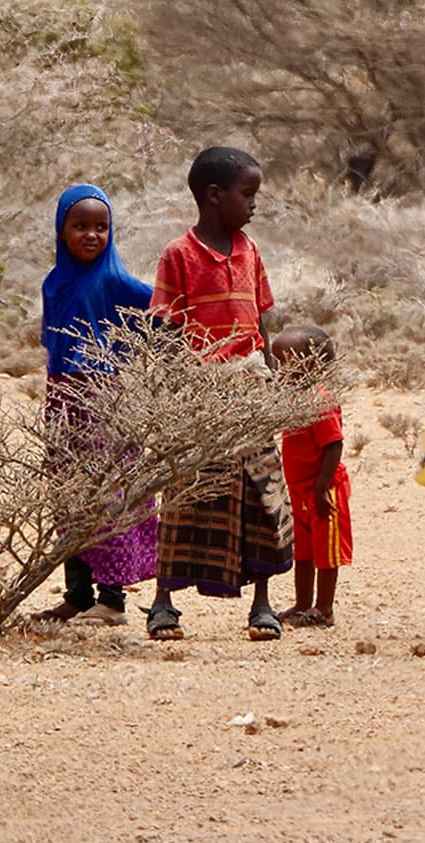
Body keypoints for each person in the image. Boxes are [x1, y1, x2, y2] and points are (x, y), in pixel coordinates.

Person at [147, 146, 292, 643]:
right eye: (247, 194)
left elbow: (260, 321)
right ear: (214, 196)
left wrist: (270, 379)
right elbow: (165, 331)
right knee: (188, 492)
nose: (253, 204)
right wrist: (173, 392)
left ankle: (262, 603)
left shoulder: (250, 251)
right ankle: (163, 602)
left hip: (249, 388)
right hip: (201, 391)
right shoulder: (178, 255)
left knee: (260, 493)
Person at [35, 184, 158, 626]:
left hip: (104, 395)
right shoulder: (55, 281)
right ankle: (78, 593)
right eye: (80, 226)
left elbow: (160, 311)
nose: (92, 235)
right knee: (70, 496)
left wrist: (137, 352)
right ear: (62, 231)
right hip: (62, 396)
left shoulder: (114, 280)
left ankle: (112, 598)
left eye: (101, 227)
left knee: (109, 494)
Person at [273, 325, 350, 629]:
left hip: (323, 490)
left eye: (285, 361)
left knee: (326, 551)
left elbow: (334, 444)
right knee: (303, 550)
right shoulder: (296, 396)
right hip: (300, 490)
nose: (278, 369)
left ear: (312, 364)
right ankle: (303, 604)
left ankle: (324, 608)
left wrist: (321, 488)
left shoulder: (318, 398)